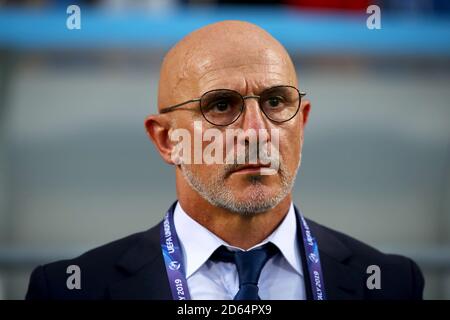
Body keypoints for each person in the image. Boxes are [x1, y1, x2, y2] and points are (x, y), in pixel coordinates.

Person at [25, 20, 424, 300]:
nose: (255, 131)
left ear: (301, 123)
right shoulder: (69, 289)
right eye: (220, 105)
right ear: (167, 140)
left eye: (274, 102)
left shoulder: (392, 284)